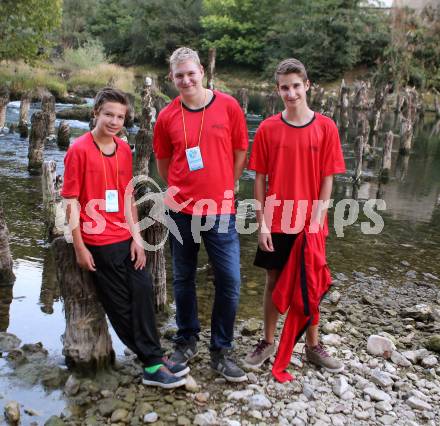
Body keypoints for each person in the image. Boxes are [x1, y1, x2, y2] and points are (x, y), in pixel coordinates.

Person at [61, 87, 188, 389]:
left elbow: (127, 195)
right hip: (99, 242)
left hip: (124, 235)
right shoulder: (78, 150)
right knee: (120, 305)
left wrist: (138, 238)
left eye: (120, 116)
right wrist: (80, 246)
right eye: (108, 114)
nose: (114, 121)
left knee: (143, 292)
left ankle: (154, 355)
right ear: (95, 113)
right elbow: (71, 202)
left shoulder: (122, 148)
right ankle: (152, 364)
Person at [153, 47, 248, 382]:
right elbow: (165, 165)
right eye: (179, 75)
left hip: (220, 209)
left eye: (191, 73)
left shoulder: (229, 106)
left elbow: (240, 151)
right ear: (172, 78)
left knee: (230, 279)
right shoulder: (166, 116)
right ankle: (187, 338)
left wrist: (226, 184)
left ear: (202, 71)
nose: (186, 80)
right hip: (181, 211)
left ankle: (221, 349)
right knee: (183, 277)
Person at [244, 58, 346, 373]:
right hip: (276, 220)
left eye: (296, 86)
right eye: (285, 87)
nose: (291, 93)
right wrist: (262, 224)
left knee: (310, 284)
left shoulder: (326, 127)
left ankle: (313, 346)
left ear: (307, 85)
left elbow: (328, 177)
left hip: (310, 222)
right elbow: (259, 179)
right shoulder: (268, 128)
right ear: (278, 90)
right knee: (273, 279)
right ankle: (267, 340)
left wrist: (317, 219)